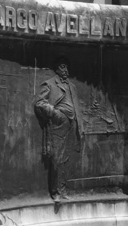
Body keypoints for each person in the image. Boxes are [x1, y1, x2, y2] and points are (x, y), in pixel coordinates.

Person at [34, 57, 83, 202]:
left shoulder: (72, 86)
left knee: (66, 159)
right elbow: (39, 103)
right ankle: (55, 192)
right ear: (56, 69)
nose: (65, 70)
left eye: (67, 67)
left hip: (72, 124)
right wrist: (55, 114)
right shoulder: (49, 84)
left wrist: (80, 124)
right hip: (58, 124)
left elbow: (76, 106)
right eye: (62, 67)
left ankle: (63, 189)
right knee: (56, 158)